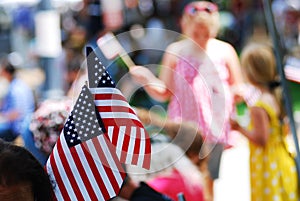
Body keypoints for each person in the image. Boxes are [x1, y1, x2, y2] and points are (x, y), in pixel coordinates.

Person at [129, 1, 244, 199]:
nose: (201, 38)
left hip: (215, 128)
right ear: (186, 26)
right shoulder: (176, 51)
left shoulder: (225, 51)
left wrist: (232, 95)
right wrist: (147, 79)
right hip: (185, 128)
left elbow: (238, 88)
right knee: (186, 176)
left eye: (206, 33)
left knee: (210, 178)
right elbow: (164, 91)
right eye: (196, 33)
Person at [230, 43, 299, 200]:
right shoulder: (277, 96)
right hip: (283, 158)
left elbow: (261, 139)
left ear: (250, 73)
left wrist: (238, 128)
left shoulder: (258, 107)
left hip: (268, 163)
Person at [0, 57, 35, 142]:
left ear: (5, 71)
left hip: (18, 130)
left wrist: (3, 117)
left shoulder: (15, 89)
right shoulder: (18, 84)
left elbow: (17, 113)